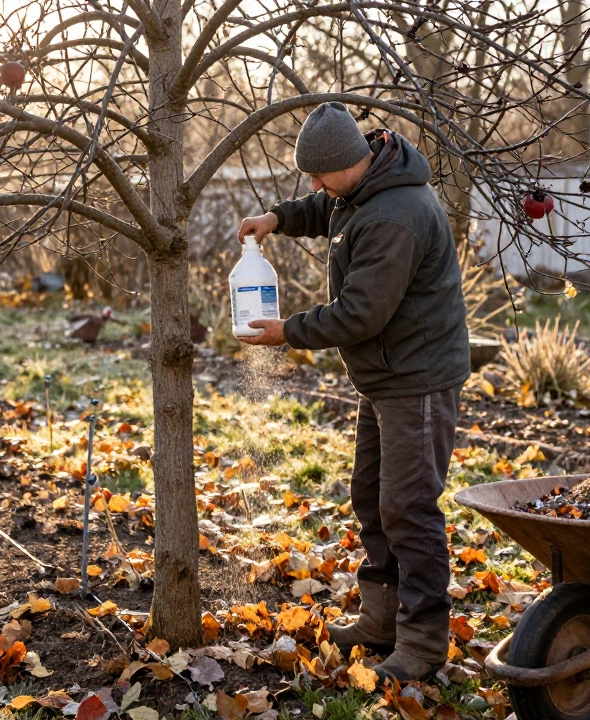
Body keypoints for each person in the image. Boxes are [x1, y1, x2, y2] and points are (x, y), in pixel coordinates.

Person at [236, 102, 470, 681]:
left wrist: (287, 331)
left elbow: (360, 314)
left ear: (350, 161)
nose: (314, 186)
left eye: (319, 174)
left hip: (417, 380)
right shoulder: (365, 186)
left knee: (408, 510)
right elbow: (326, 206)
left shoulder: (396, 216)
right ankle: (382, 616)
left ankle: (421, 641)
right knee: (371, 498)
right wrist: (277, 218)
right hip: (387, 378)